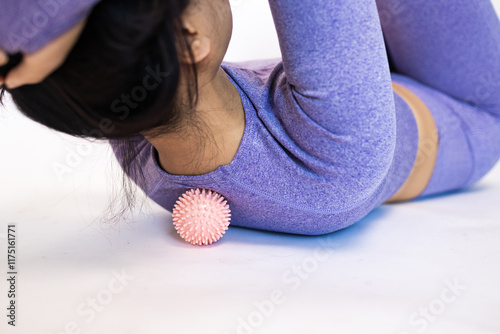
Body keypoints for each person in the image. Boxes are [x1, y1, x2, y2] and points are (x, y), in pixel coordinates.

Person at [1, 0, 499, 235]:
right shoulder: (329, 153)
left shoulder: (128, 124)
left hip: (375, 85)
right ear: (189, 38)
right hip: (474, 106)